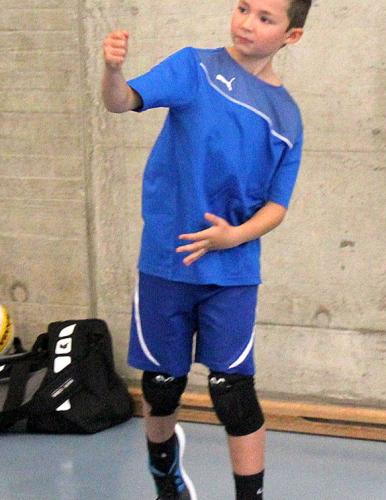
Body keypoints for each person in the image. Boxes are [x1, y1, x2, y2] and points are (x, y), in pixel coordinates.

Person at [101, 0, 312, 498]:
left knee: (232, 392)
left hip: (232, 271)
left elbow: (277, 206)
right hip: (167, 263)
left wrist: (233, 237)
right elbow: (121, 101)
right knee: (161, 387)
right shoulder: (193, 67)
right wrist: (112, 71)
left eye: (265, 18)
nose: (247, 23)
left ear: (291, 36)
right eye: (243, 8)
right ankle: (165, 478)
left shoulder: (286, 116)